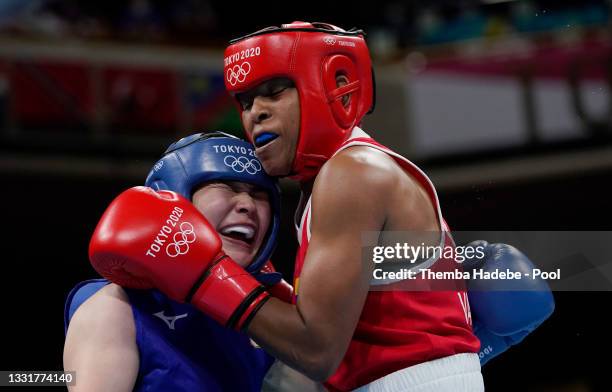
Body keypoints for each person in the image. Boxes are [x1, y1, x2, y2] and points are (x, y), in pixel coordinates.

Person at [88, 22, 554, 392]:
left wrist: (203, 273)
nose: (256, 113)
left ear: (334, 85)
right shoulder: (335, 185)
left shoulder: (352, 174)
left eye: (274, 91)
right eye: (246, 101)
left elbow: (316, 350)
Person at [64, 132, 290, 392]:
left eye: (259, 194)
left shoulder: (270, 314)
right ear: (175, 197)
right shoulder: (117, 307)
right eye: (228, 186)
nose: (248, 204)